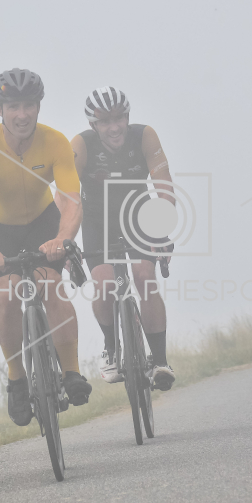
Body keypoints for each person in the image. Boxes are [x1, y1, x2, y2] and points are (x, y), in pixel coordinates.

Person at [0, 68, 91, 427]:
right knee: (7, 295)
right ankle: (17, 380)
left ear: (38, 107)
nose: (22, 114)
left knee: (52, 285)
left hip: (42, 224)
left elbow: (71, 199)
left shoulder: (55, 142)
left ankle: (71, 372)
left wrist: (64, 238)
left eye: (29, 105)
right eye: (13, 106)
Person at [68, 86, 175, 390]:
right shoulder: (81, 145)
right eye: (105, 121)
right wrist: (66, 240)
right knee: (104, 286)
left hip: (138, 215)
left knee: (144, 277)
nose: (114, 127)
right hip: (96, 221)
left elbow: (163, 185)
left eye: (119, 118)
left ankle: (160, 360)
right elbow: (67, 195)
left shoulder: (144, 136)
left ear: (128, 117)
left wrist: (162, 229)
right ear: (93, 124)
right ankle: (111, 347)